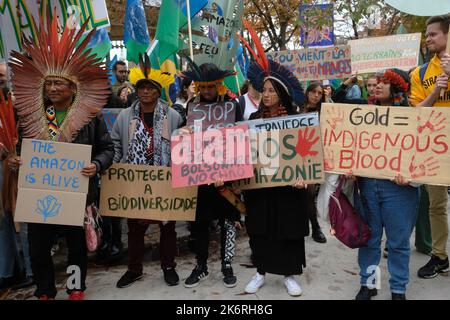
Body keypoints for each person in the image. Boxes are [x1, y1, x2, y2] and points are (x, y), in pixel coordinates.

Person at [7, 16, 114, 300]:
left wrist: (97, 164)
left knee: (75, 245)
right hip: (40, 192)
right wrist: (16, 161)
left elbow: (108, 149)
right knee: (38, 245)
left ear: (73, 87)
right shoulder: (33, 116)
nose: (52, 89)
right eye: (48, 84)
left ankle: (75, 287)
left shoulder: (92, 118)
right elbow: (22, 150)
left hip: (76, 194)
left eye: (58, 84)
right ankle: (44, 291)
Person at [113, 54, 183, 288]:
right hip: (135, 180)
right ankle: (134, 269)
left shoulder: (172, 116)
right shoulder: (124, 117)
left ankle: (168, 266)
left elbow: (181, 146)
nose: (145, 92)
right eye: (141, 87)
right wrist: (113, 167)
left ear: (158, 91)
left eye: (150, 88)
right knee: (134, 227)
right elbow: (115, 144)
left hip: (164, 179)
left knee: (167, 226)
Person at [243, 59, 309, 297]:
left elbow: (308, 153)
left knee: (288, 230)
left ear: (281, 94)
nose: (266, 94)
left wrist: (304, 177)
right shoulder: (252, 121)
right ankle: (260, 272)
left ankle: (289, 275)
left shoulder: (297, 121)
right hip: (260, 189)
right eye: (265, 89)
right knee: (261, 230)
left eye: (271, 90)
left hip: (289, 190)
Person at [353, 68, 419, 300]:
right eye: (375, 83)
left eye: (383, 82)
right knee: (370, 240)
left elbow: (424, 155)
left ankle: (398, 289)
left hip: (400, 190)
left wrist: (412, 176)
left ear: (397, 86)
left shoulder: (413, 117)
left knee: (398, 242)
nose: (377, 86)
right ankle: (369, 284)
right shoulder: (363, 114)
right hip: (369, 187)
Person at [179, 61, 243, 288]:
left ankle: (227, 264)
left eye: (210, 87)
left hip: (227, 177)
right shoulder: (191, 107)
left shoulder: (232, 106)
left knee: (228, 222)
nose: (206, 92)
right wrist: (183, 132)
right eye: (202, 87)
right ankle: (201, 265)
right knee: (201, 223)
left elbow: (240, 140)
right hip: (201, 177)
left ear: (219, 86)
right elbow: (183, 143)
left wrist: (229, 174)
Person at [409, 14, 450, 279]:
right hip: (436, 148)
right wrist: (436, 91)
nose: (428, 38)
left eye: (433, 33)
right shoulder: (421, 73)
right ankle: (439, 257)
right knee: (436, 205)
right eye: (427, 33)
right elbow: (417, 114)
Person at [300, 83, 327, 244]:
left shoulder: (324, 111)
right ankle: (302, 225)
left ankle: (315, 227)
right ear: (307, 92)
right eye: (313, 92)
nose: (316, 95)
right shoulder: (296, 108)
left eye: (319, 93)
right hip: (296, 153)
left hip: (314, 155)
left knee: (309, 192)